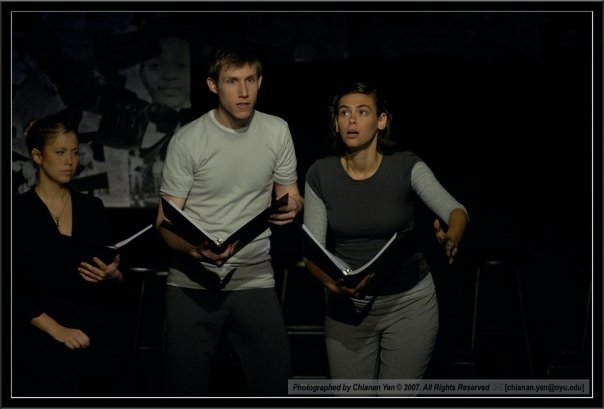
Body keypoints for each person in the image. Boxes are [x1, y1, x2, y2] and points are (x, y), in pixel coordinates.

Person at [155, 45, 304, 397]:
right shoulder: (188, 139)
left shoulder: (276, 130)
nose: (243, 92)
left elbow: (292, 193)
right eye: (232, 81)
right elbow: (163, 220)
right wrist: (195, 250)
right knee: (183, 388)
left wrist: (293, 207)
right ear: (212, 85)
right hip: (191, 285)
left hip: (253, 277)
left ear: (260, 81)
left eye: (250, 80)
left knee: (277, 384)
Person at [303, 80, 469, 391]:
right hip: (346, 311)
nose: (352, 120)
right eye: (344, 113)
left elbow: (455, 211)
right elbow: (312, 254)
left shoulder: (406, 165)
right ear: (335, 123)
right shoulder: (320, 174)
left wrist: (452, 235)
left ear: (381, 121)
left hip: (408, 304)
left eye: (362, 112)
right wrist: (333, 285)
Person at [12, 114, 126, 397]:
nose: (69, 161)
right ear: (38, 156)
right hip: (36, 335)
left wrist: (113, 275)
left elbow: (113, 276)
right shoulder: (16, 212)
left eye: (74, 153)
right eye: (60, 152)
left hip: (91, 334)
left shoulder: (92, 207)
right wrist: (57, 330)